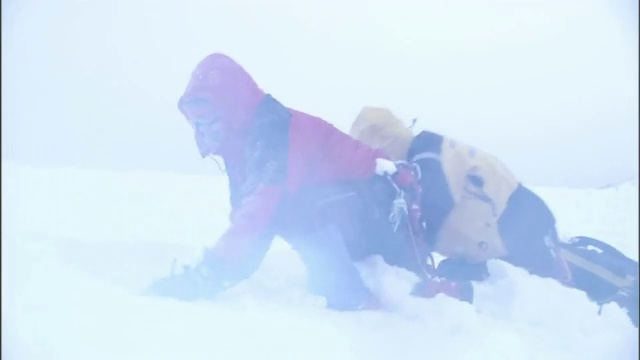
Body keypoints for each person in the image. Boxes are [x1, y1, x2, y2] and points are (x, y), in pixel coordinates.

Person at [145, 53, 452, 311]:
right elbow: (247, 215)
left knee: (400, 286)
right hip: (334, 209)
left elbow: (259, 213)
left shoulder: (273, 134)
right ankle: (358, 299)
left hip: (374, 202)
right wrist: (219, 270)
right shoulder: (240, 140)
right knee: (298, 215)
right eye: (197, 122)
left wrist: (208, 275)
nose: (203, 129)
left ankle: (383, 313)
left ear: (232, 109)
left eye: (209, 118)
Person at [349, 106, 573, 284]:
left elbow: (432, 209)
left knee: (551, 295)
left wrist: (406, 254)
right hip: (504, 235)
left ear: (386, 139)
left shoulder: (427, 156)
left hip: (522, 230)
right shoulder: (425, 153)